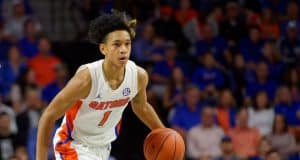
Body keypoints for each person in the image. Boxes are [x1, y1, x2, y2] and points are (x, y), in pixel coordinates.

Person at [36, 11, 165, 160]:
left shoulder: (138, 76)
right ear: (103, 48)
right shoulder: (87, 78)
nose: (123, 49)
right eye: (116, 44)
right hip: (73, 145)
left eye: (127, 44)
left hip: (103, 149)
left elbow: (141, 106)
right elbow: (48, 115)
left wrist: (163, 132)